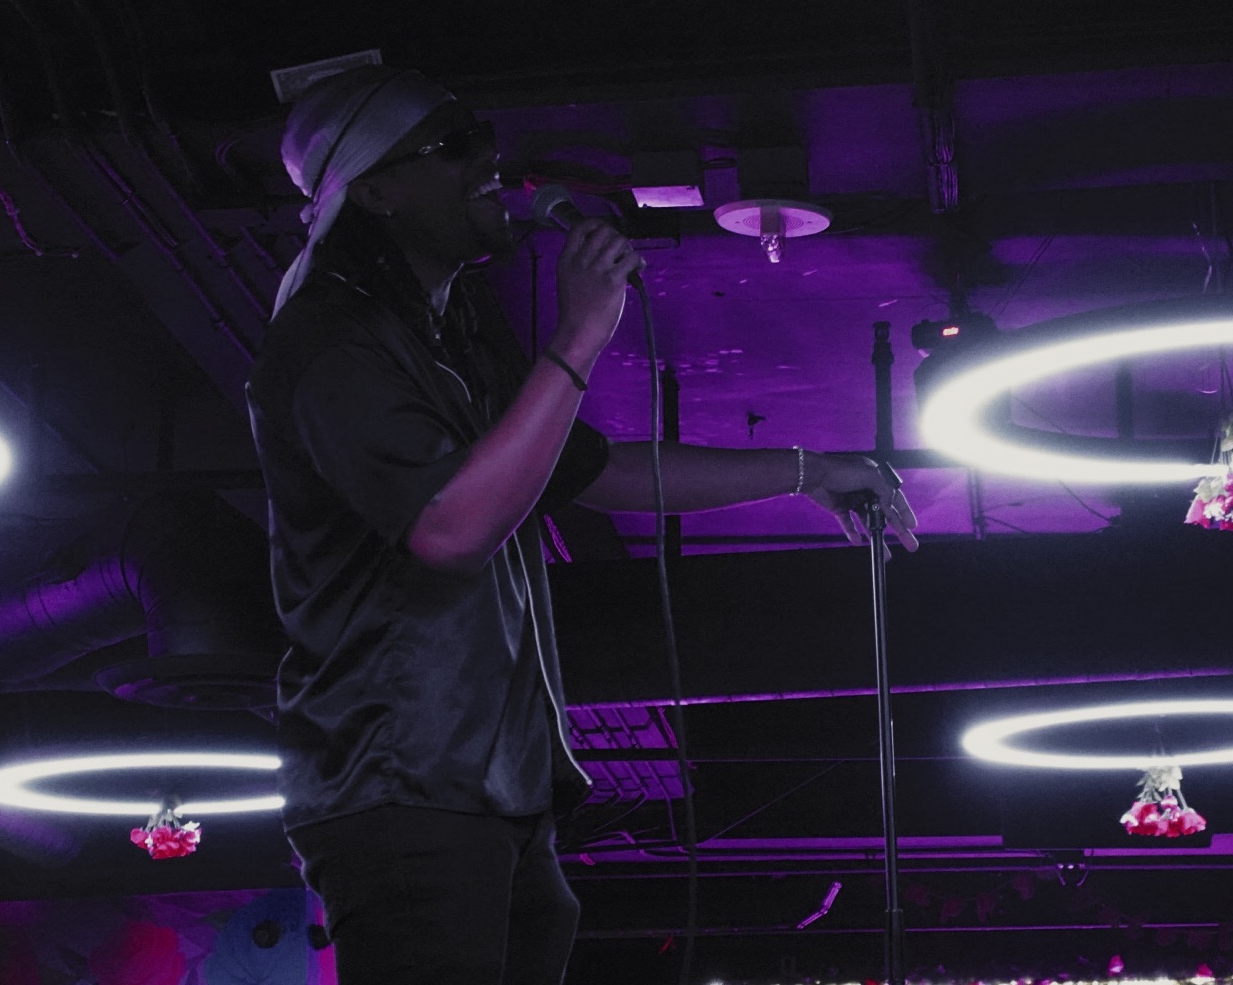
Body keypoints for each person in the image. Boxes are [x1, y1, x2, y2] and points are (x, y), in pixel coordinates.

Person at [247, 65, 917, 985]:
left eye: (481, 136)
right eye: (452, 147)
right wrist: (579, 337)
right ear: (376, 191)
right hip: (399, 776)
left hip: (494, 786)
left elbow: (592, 469)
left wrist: (810, 471)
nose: (487, 162)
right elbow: (448, 533)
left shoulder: (452, 334)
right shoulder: (331, 341)